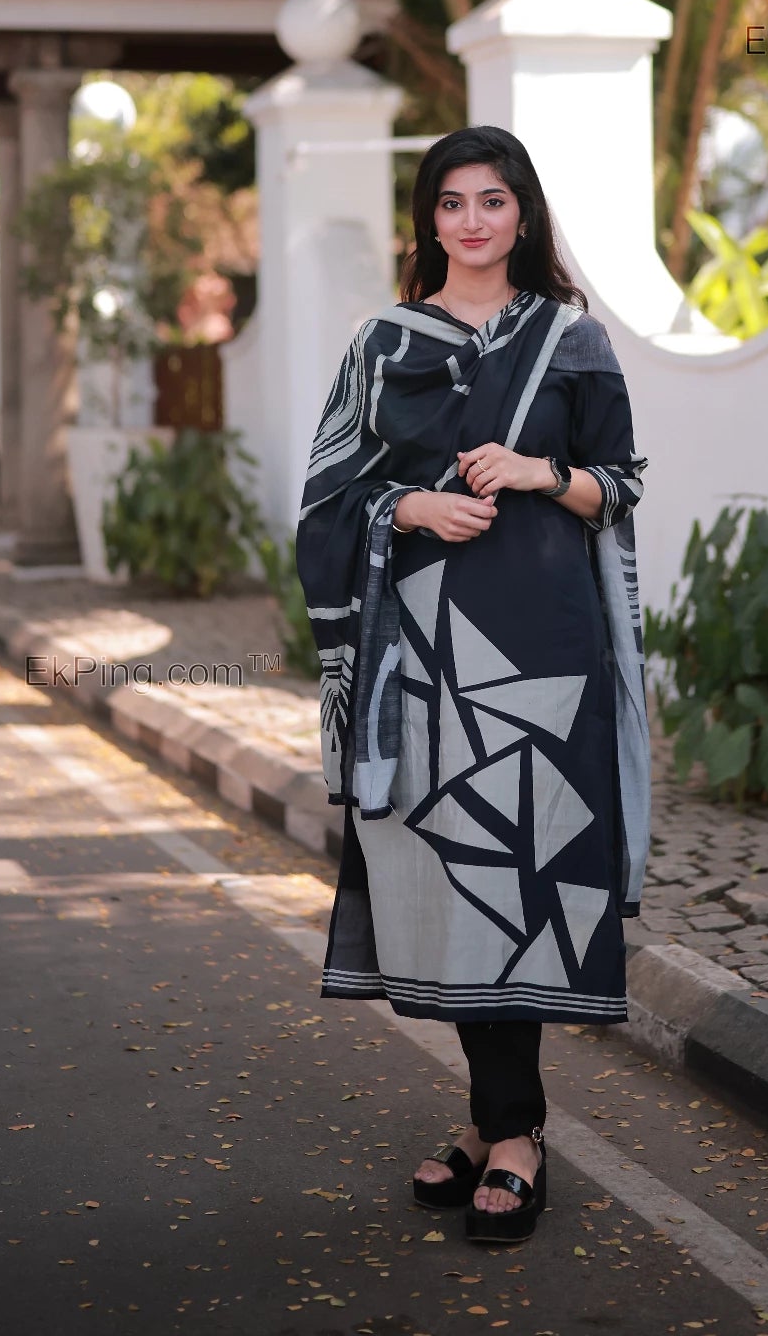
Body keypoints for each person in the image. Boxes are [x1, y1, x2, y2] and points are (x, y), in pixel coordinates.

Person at [295, 125, 650, 1245]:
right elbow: (322, 496)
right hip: (420, 659)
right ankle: (501, 1121)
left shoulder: (576, 341)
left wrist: (542, 472)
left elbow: (620, 485)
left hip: (543, 659)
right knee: (447, 871)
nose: (473, 221)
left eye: (492, 200)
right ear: (428, 220)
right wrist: (408, 506)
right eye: (451, 202)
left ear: (524, 214)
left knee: (521, 868)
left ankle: (510, 1132)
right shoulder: (380, 345)